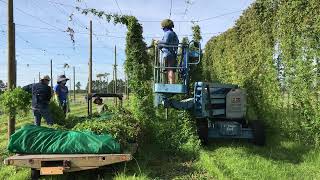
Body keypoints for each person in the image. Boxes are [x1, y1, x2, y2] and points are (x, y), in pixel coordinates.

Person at [157, 19, 179, 84]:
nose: (162, 29)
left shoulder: (168, 33)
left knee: (169, 69)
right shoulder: (174, 33)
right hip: (172, 53)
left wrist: (158, 42)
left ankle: (171, 84)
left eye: (163, 28)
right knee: (170, 69)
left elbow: (165, 42)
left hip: (168, 53)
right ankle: (171, 83)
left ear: (165, 27)